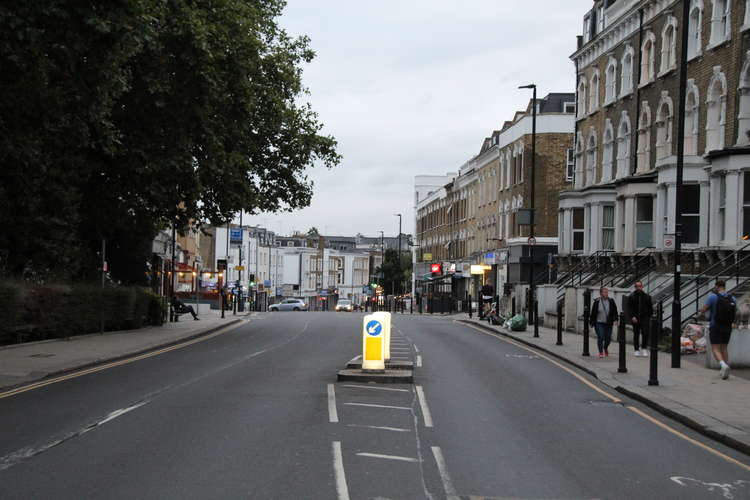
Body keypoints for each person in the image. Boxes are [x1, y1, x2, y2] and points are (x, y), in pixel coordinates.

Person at [699, 280, 736, 380]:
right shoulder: (732, 298)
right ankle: (725, 371)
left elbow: (703, 309)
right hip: (727, 326)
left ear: (717, 286)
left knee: (715, 348)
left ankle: (723, 366)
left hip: (716, 325)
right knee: (724, 348)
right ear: (724, 287)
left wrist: (701, 310)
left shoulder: (712, 297)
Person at [589, 286, 618, 357]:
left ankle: (605, 348)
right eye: (605, 292)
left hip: (608, 323)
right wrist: (592, 322)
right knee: (601, 337)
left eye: (607, 292)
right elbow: (593, 313)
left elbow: (615, 311)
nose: (606, 293)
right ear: (601, 293)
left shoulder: (611, 301)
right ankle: (601, 352)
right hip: (599, 323)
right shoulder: (597, 301)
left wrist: (616, 319)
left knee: (608, 338)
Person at [627, 280, 653, 357]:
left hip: (645, 317)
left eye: (640, 286)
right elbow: (629, 308)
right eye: (637, 286)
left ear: (642, 287)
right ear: (635, 287)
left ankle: (644, 348)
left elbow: (650, 308)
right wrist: (632, 317)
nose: (638, 287)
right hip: (635, 318)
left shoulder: (647, 297)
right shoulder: (631, 296)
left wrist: (649, 316)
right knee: (636, 334)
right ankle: (636, 349)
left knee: (645, 333)